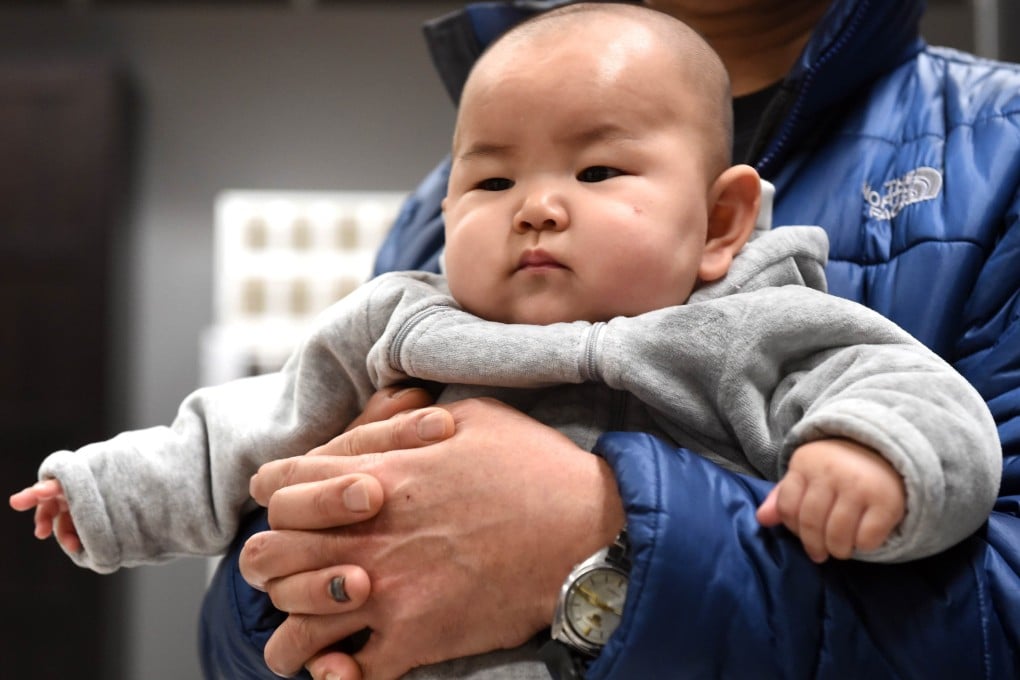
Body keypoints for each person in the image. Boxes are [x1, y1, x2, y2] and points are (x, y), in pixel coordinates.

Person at [8, 4, 1005, 679]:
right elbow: (244, 429)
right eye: (489, 183)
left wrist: (872, 456)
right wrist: (108, 493)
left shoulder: (757, 326)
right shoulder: (408, 318)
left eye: (599, 173)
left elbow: (911, 396)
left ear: (720, 226)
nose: (535, 207)